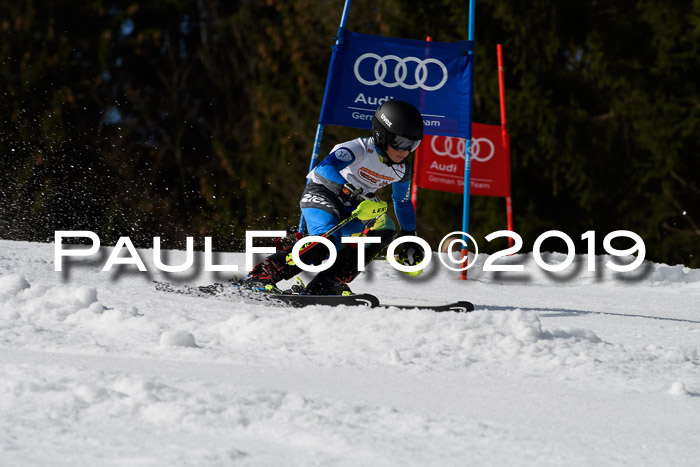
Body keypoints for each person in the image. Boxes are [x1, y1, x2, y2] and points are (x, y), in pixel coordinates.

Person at [244, 99, 426, 295]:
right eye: (400, 142)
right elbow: (323, 169)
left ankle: (328, 282)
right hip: (322, 194)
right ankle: (262, 275)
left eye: (413, 145)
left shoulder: (401, 169)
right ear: (382, 135)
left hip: (353, 209)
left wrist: (409, 237)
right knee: (329, 242)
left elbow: (403, 201)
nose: (405, 151)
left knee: (385, 227)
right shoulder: (360, 148)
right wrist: (354, 195)